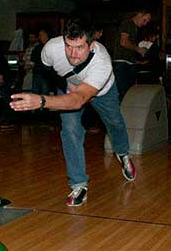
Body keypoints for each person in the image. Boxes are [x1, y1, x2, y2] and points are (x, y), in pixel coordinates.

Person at [10, 20, 136, 207]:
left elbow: (78, 100)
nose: (72, 54)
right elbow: (46, 69)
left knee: (115, 122)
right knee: (70, 129)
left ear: (91, 46)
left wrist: (42, 101)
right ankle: (79, 184)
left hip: (102, 91)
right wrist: (64, 84)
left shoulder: (102, 63)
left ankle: (123, 153)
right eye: (68, 46)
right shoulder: (52, 48)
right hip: (70, 88)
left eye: (78, 48)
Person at [113, 9, 151, 101]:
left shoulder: (133, 27)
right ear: (140, 14)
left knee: (129, 93)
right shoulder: (128, 23)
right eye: (145, 20)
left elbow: (126, 47)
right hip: (123, 64)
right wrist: (138, 49)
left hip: (127, 63)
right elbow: (123, 42)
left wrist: (136, 61)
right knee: (125, 94)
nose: (145, 24)